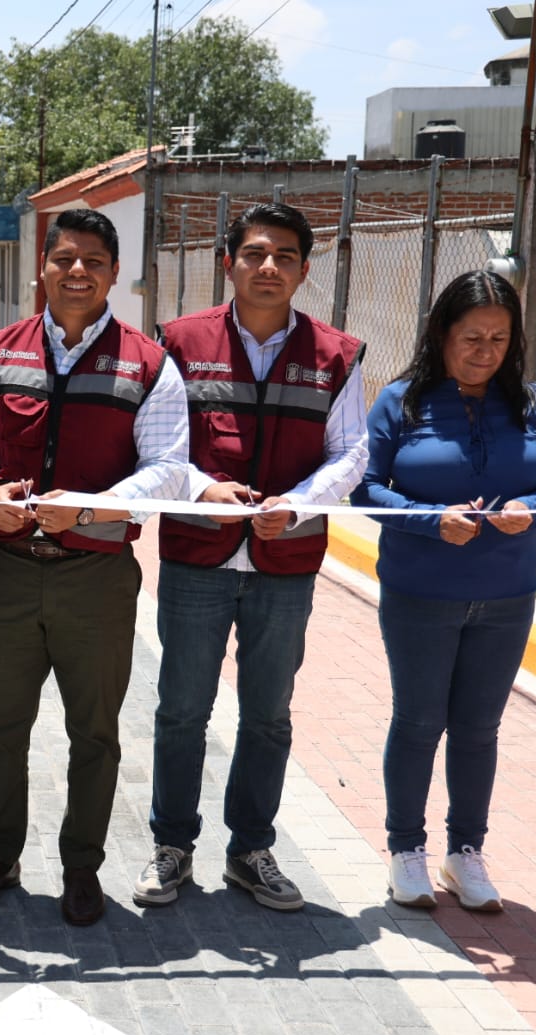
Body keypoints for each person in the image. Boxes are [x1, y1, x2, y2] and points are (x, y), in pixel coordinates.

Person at [0, 208, 188, 926]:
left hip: (97, 578)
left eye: (93, 260)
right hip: (6, 572)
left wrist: (88, 507)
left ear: (114, 274)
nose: (76, 271)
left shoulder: (149, 364)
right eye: (64, 259)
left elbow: (169, 469)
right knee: (1, 725)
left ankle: (82, 866)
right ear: (41, 269)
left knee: (95, 730)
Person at [135, 202, 367, 913]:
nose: (270, 267)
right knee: (182, 710)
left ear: (305, 267)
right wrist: (205, 487)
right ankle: (172, 847)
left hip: (284, 566)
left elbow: (353, 451)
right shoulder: (180, 341)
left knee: (269, 714)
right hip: (197, 560)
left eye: (287, 256)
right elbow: (163, 445)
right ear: (227, 260)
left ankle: (250, 850)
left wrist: (296, 505)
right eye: (256, 253)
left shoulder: (339, 354)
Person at [353, 270, 536, 913]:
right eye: (471, 336)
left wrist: (531, 507)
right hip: (422, 591)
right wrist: (430, 518)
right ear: (442, 334)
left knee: (479, 728)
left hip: (507, 595)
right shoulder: (400, 401)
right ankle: (405, 853)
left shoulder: (535, 404)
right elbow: (365, 488)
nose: (485, 351)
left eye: (499, 339)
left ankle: (465, 854)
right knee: (419, 722)